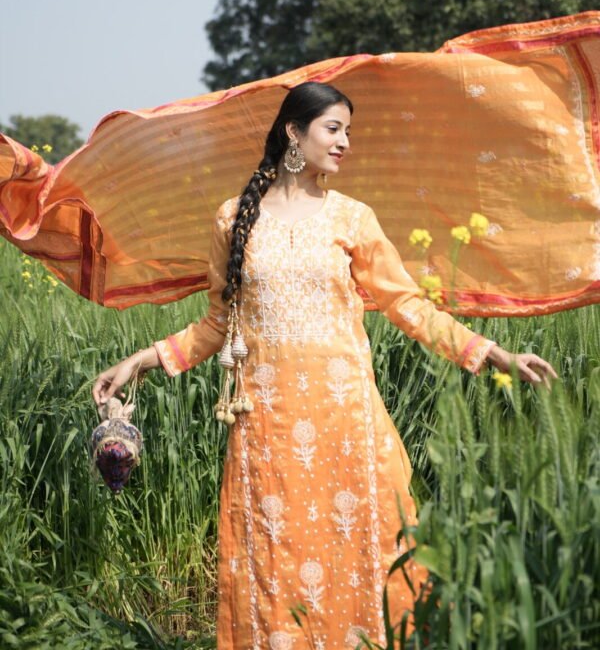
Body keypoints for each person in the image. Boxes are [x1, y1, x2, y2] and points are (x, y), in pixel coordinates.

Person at [92, 82, 558, 648]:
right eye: (333, 129)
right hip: (267, 428)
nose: (345, 144)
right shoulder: (234, 218)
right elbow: (218, 325)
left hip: (347, 425)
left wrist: (491, 354)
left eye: (349, 133)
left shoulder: (353, 218)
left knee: (360, 555)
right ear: (294, 131)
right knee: (274, 561)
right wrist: (139, 362)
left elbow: (407, 306)